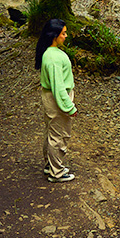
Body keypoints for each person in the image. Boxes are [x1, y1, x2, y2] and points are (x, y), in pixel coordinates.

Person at [37, 18, 77, 182]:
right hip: (56, 100)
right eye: (63, 33)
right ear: (54, 35)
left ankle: (51, 166)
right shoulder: (53, 58)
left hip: (51, 98)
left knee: (52, 132)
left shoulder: (50, 53)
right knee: (59, 135)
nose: (66, 36)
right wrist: (69, 107)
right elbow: (58, 87)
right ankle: (57, 173)